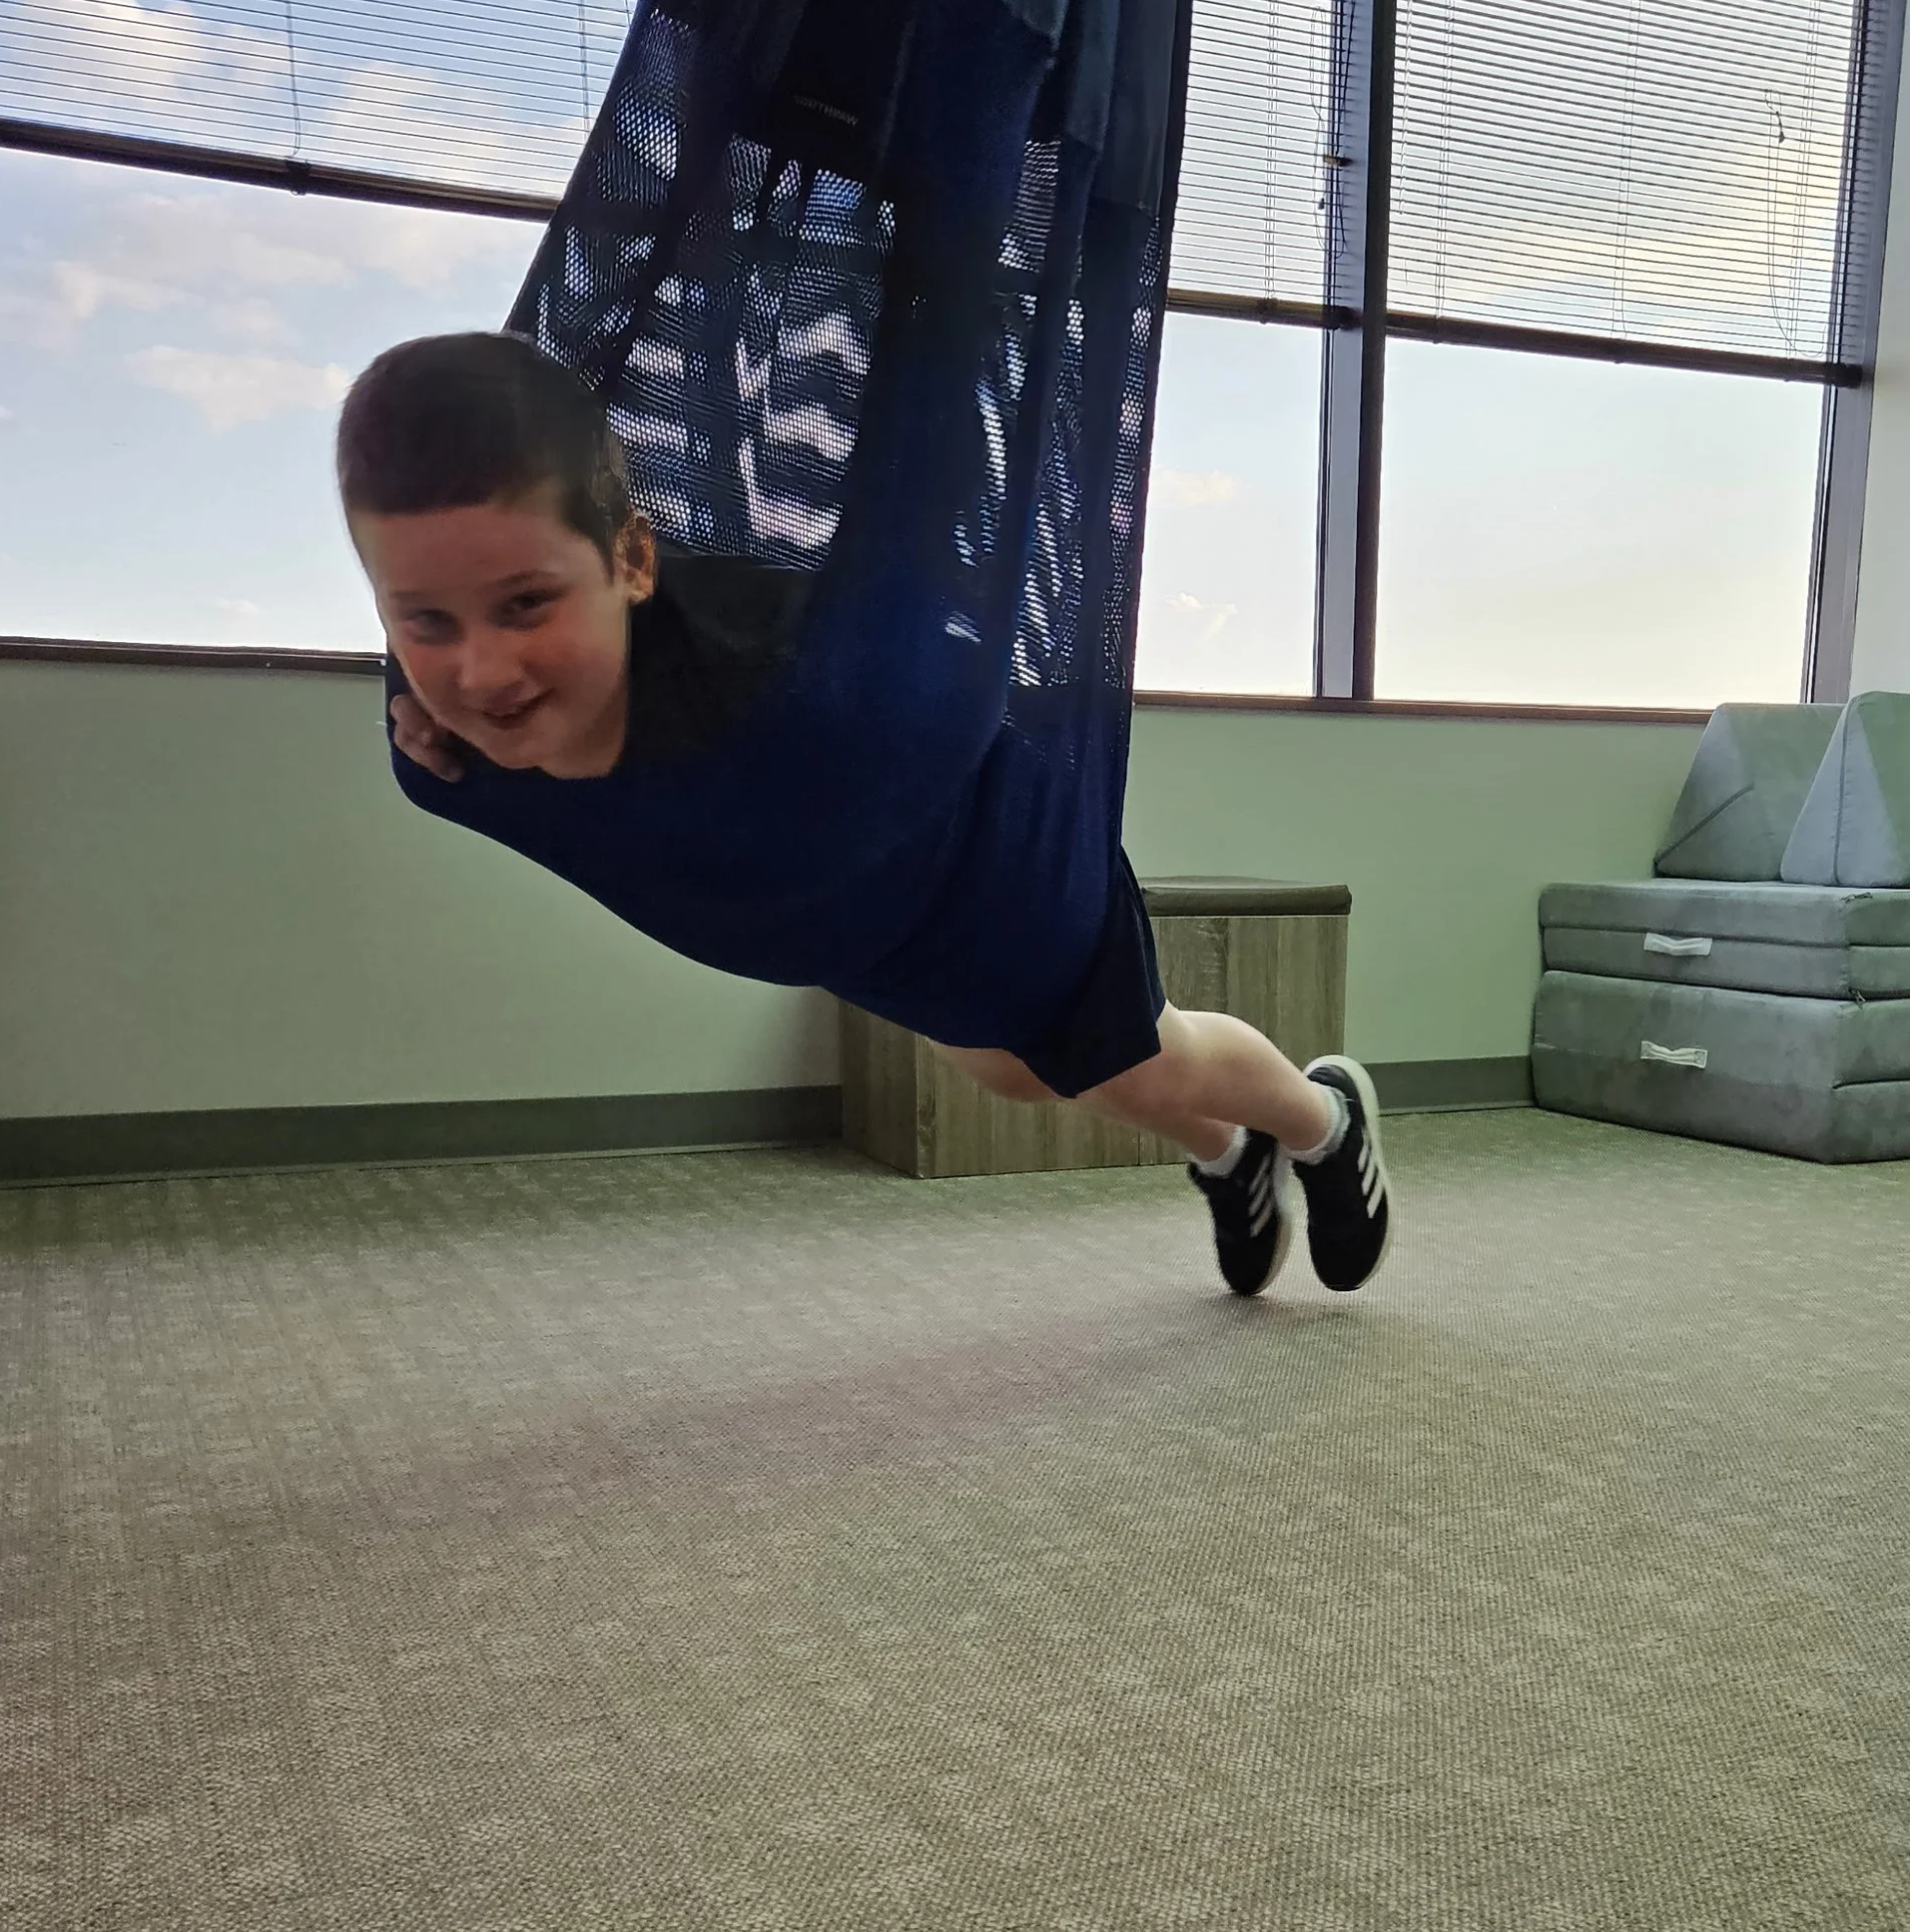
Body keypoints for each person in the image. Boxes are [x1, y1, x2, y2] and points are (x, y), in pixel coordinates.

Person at [337, 331, 1392, 1296]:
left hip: (991, 862)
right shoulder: (453, 751)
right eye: (425, 622)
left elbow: (944, 579)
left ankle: (1320, 1122)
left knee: (1131, 1057)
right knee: (1020, 1077)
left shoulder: (783, 676)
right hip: (858, 918)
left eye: (527, 604)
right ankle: (1229, 1151)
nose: (480, 669)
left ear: (632, 560)